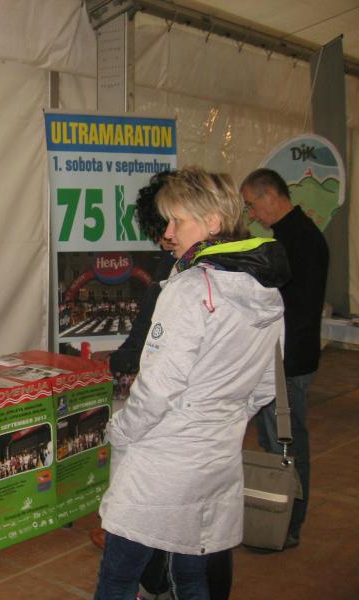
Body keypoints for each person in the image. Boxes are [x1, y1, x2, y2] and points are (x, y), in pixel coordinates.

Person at [94, 167, 290, 599]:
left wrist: (119, 430)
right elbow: (266, 387)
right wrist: (220, 417)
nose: (168, 233)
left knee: (119, 576)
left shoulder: (188, 290)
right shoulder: (266, 292)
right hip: (218, 458)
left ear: (213, 222)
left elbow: (157, 390)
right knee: (192, 575)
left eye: (176, 221)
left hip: (163, 464)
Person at [240, 168, 329, 549]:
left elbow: (289, 307)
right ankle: (278, 516)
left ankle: (288, 522)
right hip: (283, 358)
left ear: (271, 196)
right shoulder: (292, 236)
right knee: (276, 441)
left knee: (286, 446)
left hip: (287, 361)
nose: (252, 214)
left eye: (251, 205)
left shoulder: (298, 241)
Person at [108, 170, 177, 376]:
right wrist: (120, 359)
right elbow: (146, 320)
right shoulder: (170, 259)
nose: (163, 241)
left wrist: (122, 359)